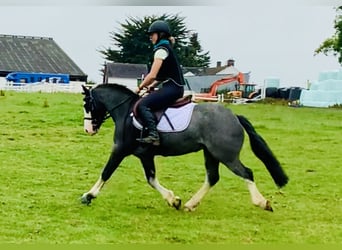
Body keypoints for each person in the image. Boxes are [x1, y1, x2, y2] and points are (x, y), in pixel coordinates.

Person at [135, 20, 185, 146]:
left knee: (143, 105)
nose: (150, 37)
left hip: (173, 88)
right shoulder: (166, 47)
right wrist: (151, 87)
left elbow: (152, 75)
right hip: (174, 87)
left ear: (160, 34)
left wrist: (139, 87)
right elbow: (160, 77)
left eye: (152, 34)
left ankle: (153, 135)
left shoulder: (161, 50)